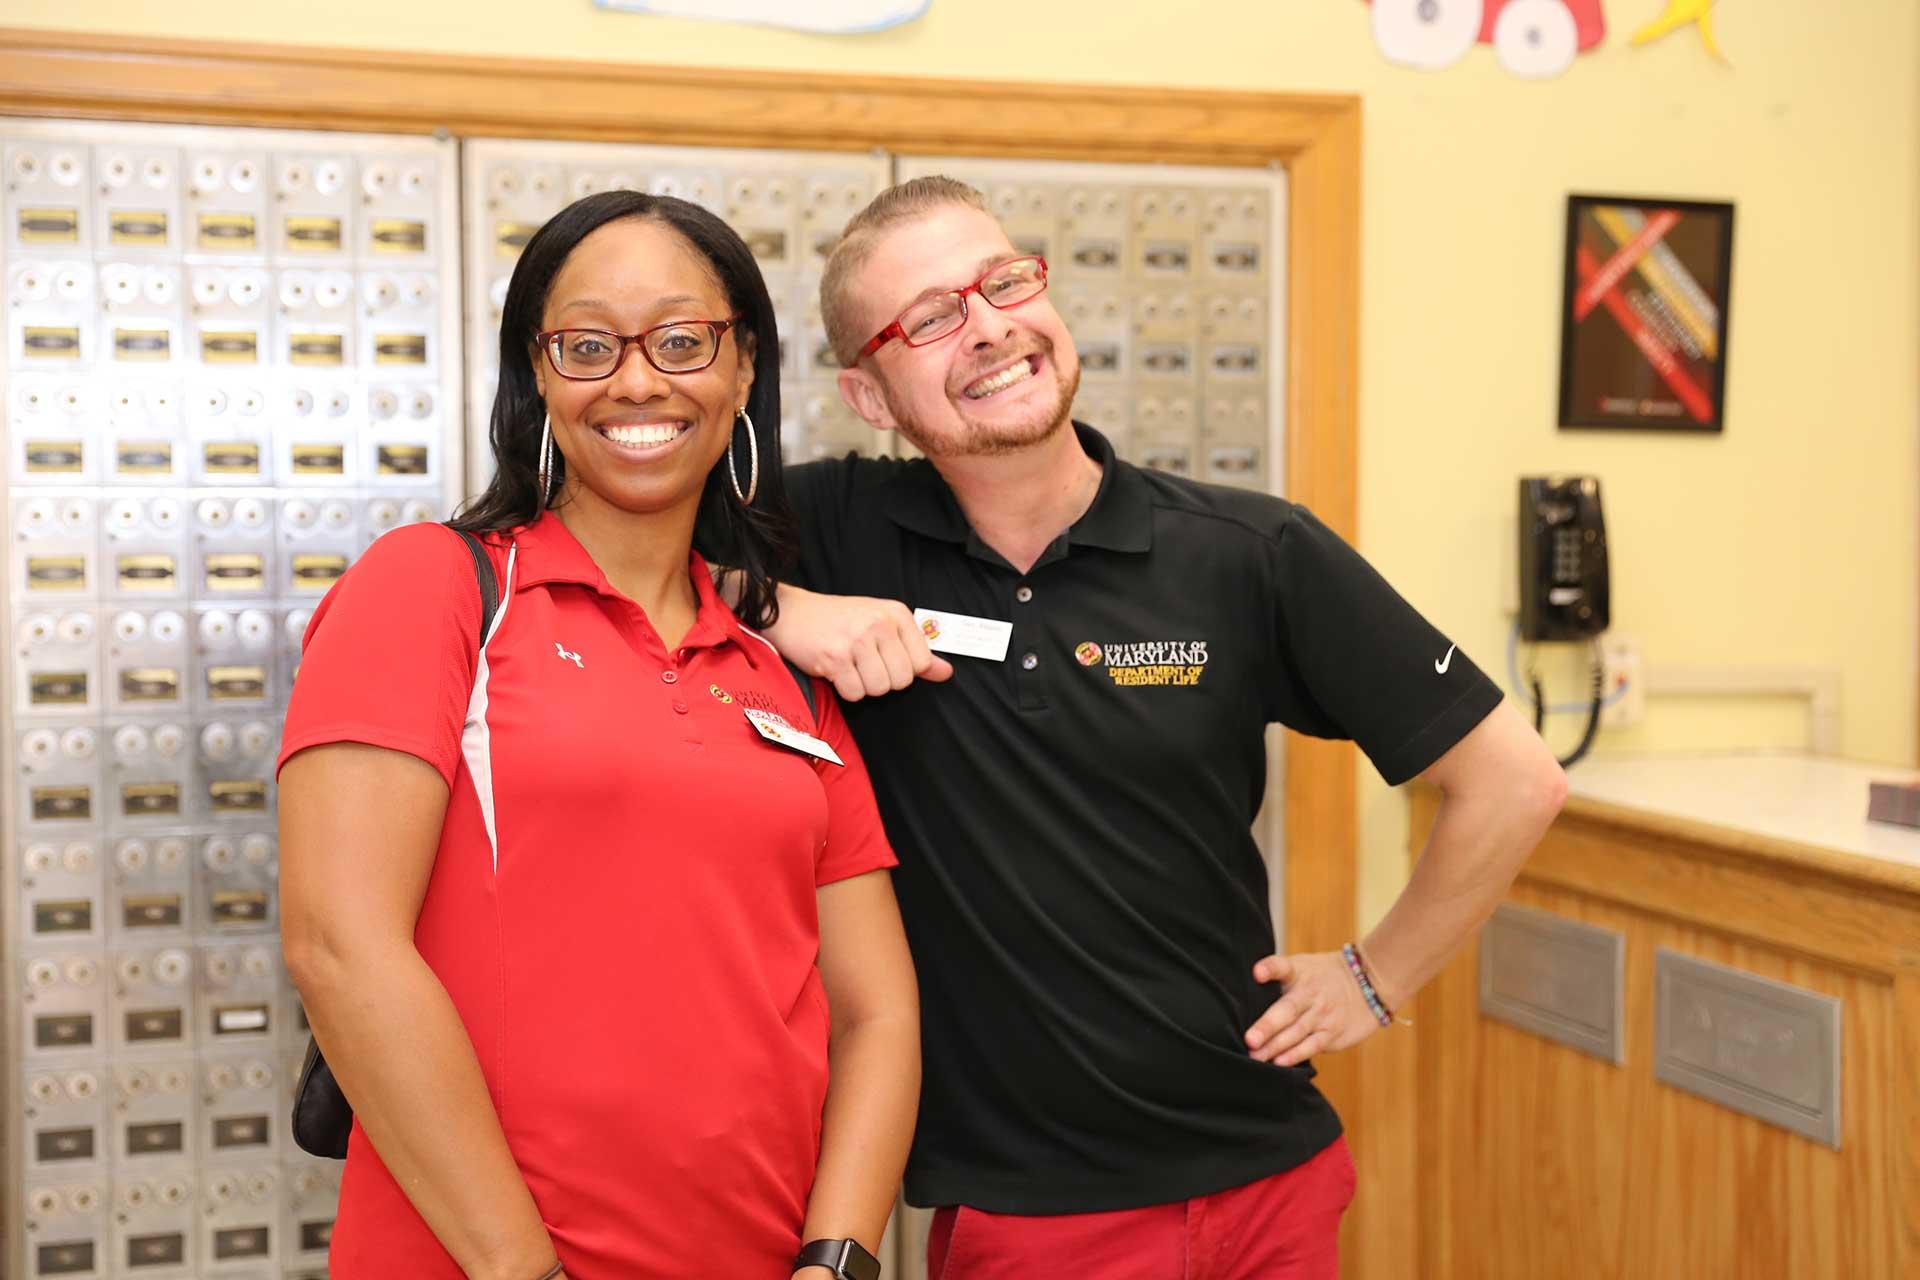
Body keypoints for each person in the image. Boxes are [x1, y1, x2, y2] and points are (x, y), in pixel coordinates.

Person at [754, 177, 1568, 1279]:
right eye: (933, 316)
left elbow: (1515, 780)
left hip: (1265, 1178)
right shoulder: (831, 529)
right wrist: (786, 607)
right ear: (871, 393)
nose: (989, 325)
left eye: (1003, 281)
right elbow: (607, 548)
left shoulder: (1245, 551)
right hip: (1031, 1211)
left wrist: (1379, 976)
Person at [277, 190, 919, 1279]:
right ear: (537, 371)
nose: (636, 380)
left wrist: (839, 1256)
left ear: (743, 369)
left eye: (681, 340)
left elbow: (875, 1012)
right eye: (587, 344)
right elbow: (341, 945)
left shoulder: (782, 671)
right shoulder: (436, 588)